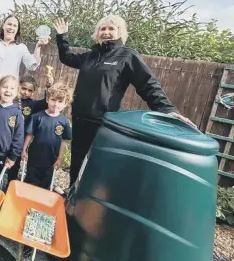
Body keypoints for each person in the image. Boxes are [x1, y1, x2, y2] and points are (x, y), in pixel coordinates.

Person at [53, 16, 195, 187]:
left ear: (120, 32)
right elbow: (67, 57)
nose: (106, 32)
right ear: (97, 33)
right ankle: (72, 201)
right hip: (80, 121)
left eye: (111, 29)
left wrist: (167, 109)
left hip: (102, 125)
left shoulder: (127, 56)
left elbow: (148, 84)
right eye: (102, 29)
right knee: (76, 166)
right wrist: (62, 36)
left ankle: (89, 208)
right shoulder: (90, 56)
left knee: (95, 169)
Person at [0, 6, 49, 124]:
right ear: (3, 26)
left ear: (17, 30)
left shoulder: (20, 48)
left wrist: (38, 46)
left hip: (6, 96)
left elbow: (32, 65)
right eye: (9, 24)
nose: (11, 27)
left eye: (14, 26)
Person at [21, 82, 73, 190]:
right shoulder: (37, 117)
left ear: (65, 104)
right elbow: (30, 134)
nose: (55, 104)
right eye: (53, 100)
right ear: (47, 99)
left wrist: (60, 158)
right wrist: (24, 149)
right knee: (30, 184)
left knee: (45, 186)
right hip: (34, 158)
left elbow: (64, 141)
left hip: (51, 161)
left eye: (60, 102)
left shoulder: (64, 122)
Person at [6, 74, 52, 184]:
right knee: (1, 161)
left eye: (30, 90)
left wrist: (48, 87)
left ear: (33, 92)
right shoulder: (11, 99)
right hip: (6, 135)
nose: (26, 92)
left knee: (14, 164)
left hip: (19, 139)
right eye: (23, 88)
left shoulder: (33, 104)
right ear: (18, 86)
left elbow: (46, 103)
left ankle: (9, 186)